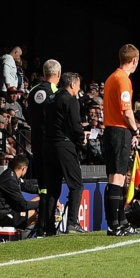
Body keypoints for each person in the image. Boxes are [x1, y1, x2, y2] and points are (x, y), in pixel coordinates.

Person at [101, 45, 140, 235]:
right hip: (119, 131)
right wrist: (135, 129)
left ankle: (120, 222)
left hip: (109, 130)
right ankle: (114, 225)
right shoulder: (123, 80)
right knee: (117, 179)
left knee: (113, 178)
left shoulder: (111, 78)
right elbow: (127, 111)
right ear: (134, 60)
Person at [28, 59, 63, 237]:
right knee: (52, 187)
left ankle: (41, 227)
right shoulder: (56, 92)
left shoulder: (32, 91)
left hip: (36, 145)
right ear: (58, 75)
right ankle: (48, 225)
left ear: (43, 73)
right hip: (51, 145)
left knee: (42, 187)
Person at [52, 72, 90, 232]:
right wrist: (82, 137)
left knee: (51, 187)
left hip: (49, 146)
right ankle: (72, 222)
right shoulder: (71, 100)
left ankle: (47, 225)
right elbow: (75, 124)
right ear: (72, 84)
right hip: (65, 145)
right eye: (79, 84)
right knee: (76, 185)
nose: (79, 88)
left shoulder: (51, 99)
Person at [0, 157, 37, 233]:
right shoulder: (9, 180)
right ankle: (28, 237)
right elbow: (23, 205)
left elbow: (28, 187)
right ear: (23, 168)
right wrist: (45, 203)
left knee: (40, 199)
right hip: (3, 217)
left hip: (8, 211)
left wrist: (44, 192)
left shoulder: (12, 175)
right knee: (34, 213)